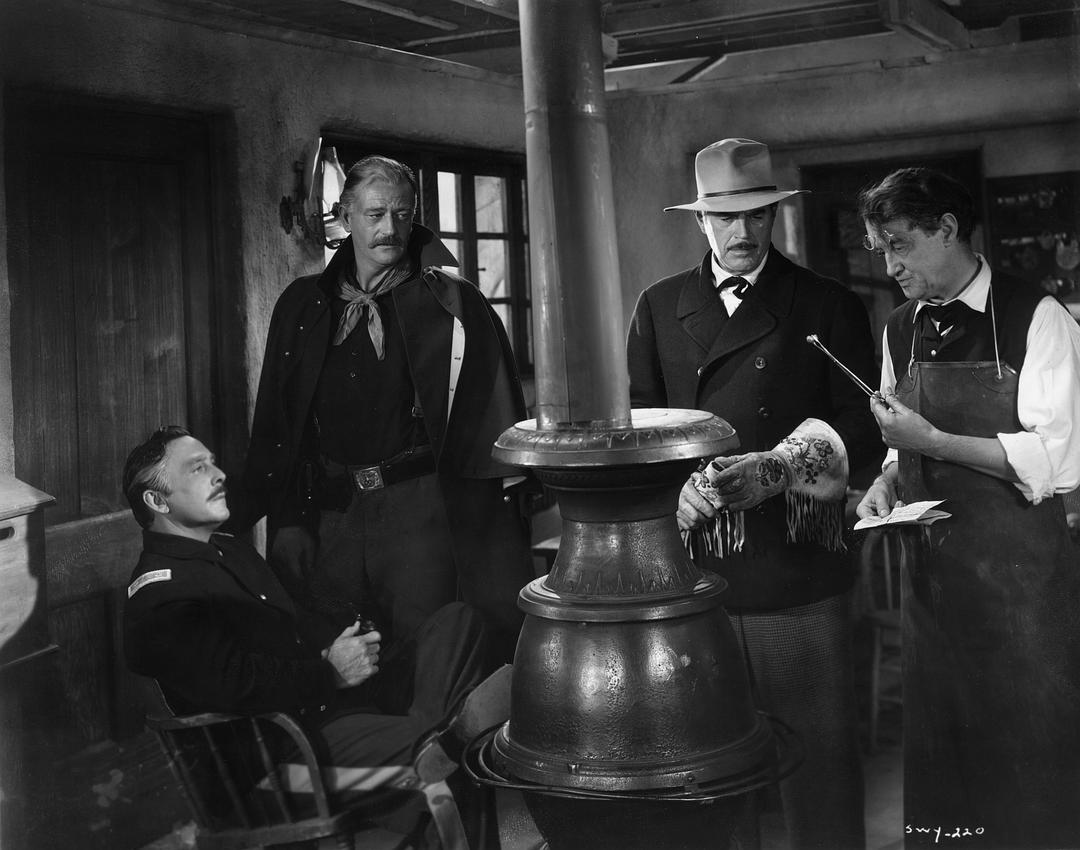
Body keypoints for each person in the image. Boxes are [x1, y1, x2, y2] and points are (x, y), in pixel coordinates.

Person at [626, 138, 881, 850]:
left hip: (796, 570)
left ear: (774, 216)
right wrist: (677, 491)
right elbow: (639, 427)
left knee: (818, 766)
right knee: (710, 770)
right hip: (695, 573)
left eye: (757, 215)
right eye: (725, 217)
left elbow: (863, 430)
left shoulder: (828, 304)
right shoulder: (658, 306)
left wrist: (773, 470)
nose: (742, 231)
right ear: (700, 220)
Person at [230, 155, 535, 663]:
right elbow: (279, 425)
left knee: (427, 653)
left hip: (421, 514)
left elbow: (494, 428)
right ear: (345, 216)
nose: (389, 229)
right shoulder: (303, 305)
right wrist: (289, 519)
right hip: (332, 514)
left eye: (401, 214)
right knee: (343, 652)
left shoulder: (453, 305)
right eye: (374, 215)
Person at [855, 167, 1080, 848]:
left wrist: (935, 443)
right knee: (945, 757)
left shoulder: (1035, 316)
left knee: (1028, 756)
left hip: (1021, 585)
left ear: (948, 229)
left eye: (900, 245)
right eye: (882, 250)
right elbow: (898, 438)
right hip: (934, 584)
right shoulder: (899, 328)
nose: (890, 267)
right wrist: (889, 476)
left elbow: (1058, 460)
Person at [122, 426, 505, 778]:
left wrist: (351, 641)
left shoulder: (228, 549)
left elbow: (293, 623)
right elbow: (235, 686)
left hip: (327, 704)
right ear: (157, 500)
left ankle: (434, 743)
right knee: (451, 744)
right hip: (287, 743)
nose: (219, 474)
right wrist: (329, 672)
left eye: (213, 463)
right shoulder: (159, 594)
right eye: (197, 468)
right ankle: (436, 744)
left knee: (458, 622)